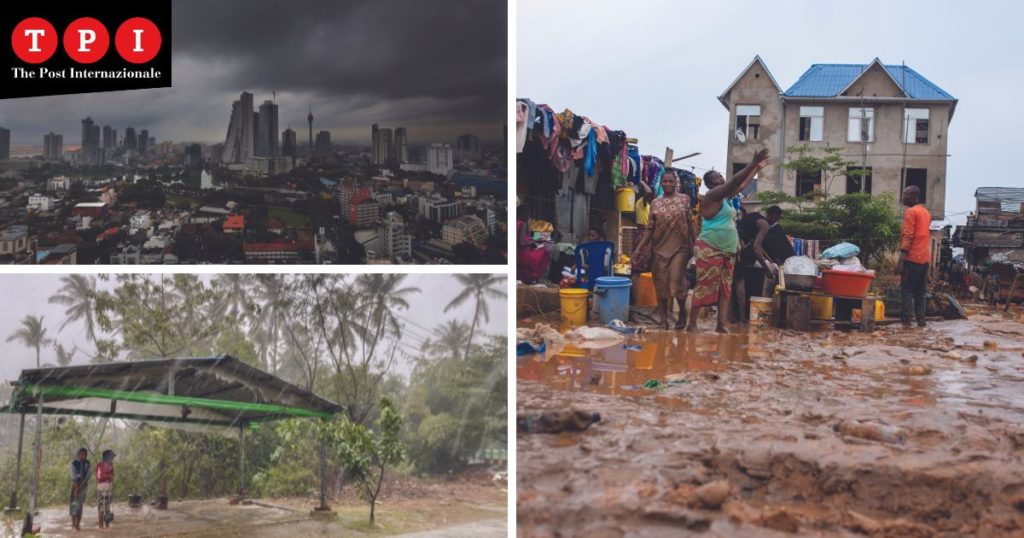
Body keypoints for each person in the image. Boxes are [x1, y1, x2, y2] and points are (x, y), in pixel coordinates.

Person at [687, 148, 769, 333]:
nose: (721, 180)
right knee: (705, 286)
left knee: (726, 288)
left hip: (728, 249)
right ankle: (692, 324)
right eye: (716, 178)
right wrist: (752, 162)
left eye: (720, 177)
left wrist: (756, 168)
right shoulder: (712, 197)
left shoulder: (725, 200)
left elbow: (739, 186)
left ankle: (721, 324)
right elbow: (735, 181)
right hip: (710, 247)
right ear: (709, 184)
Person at [633, 170, 696, 329]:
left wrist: (696, 246)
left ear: (676, 183)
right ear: (661, 183)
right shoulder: (656, 202)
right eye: (665, 181)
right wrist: (639, 249)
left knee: (676, 281)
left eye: (671, 181)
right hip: (659, 248)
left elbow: (690, 224)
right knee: (660, 284)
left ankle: (682, 312)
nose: (668, 184)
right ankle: (663, 319)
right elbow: (649, 229)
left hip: (680, 248)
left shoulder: (684, 200)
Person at [733, 205, 796, 321]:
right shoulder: (765, 225)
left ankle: (730, 316)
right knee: (740, 286)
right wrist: (766, 269)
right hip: (738, 252)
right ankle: (742, 317)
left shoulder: (752, 216)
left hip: (731, 247)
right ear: (773, 215)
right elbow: (757, 248)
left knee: (732, 285)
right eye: (777, 218)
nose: (776, 222)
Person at [897, 185, 932, 327]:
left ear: (914, 196)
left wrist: (901, 258)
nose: (903, 196)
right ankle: (921, 322)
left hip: (912, 258)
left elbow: (908, 235)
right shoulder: (926, 213)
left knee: (906, 291)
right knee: (920, 292)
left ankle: (906, 323)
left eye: (905, 194)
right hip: (924, 259)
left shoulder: (911, 212)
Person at [516, 204, 553, 284]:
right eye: (528, 214)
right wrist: (537, 240)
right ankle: (539, 277)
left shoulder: (516, 223)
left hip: (519, 251)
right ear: (524, 214)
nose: (529, 216)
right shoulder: (523, 224)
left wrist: (537, 238)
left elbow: (525, 237)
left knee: (546, 240)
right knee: (546, 249)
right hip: (522, 253)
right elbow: (522, 242)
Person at [69, 447, 90, 532]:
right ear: (78, 455)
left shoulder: (87, 463)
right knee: (74, 505)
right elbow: (73, 476)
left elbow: (88, 475)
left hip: (83, 487)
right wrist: (76, 487)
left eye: (85, 455)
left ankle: (78, 525)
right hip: (75, 486)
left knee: (80, 506)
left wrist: (81, 486)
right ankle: (73, 525)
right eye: (82, 454)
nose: (83, 456)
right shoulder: (74, 463)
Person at [95, 449, 115, 530]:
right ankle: (100, 526)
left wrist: (110, 477)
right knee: (101, 507)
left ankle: (107, 525)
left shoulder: (111, 466)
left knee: (107, 507)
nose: (112, 459)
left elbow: (112, 476)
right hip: (102, 487)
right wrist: (108, 476)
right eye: (111, 457)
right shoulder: (99, 465)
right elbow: (99, 477)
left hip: (108, 487)